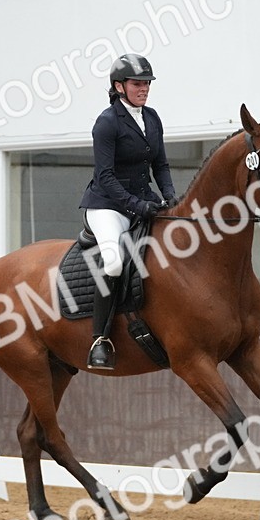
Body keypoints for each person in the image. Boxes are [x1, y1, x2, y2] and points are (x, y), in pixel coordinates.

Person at [78, 53, 177, 370]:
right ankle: (100, 340)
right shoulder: (107, 123)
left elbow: (160, 165)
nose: (144, 88)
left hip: (144, 200)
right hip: (107, 205)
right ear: (119, 86)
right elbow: (105, 176)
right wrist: (137, 205)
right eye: (138, 83)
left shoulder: (152, 118)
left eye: (147, 83)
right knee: (115, 261)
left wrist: (171, 197)